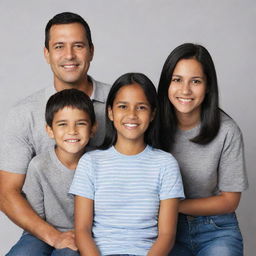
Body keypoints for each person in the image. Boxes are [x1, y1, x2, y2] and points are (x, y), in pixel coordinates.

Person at [0, 12, 110, 253]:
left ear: (91, 50)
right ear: (46, 54)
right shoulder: (24, 113)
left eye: (78, 46)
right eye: (59, 46)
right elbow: (6, 193)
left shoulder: (118, 105)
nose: (69, 55)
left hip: (99, 228)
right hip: (40, 229)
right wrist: (53, 237)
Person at [69, 72, 185, 256]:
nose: (132, 115)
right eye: (123, 106)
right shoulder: (90, 163)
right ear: (110, 112)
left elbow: (167, 235)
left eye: (141, 107)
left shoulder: (165, 164)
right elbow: (82, 230)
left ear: (153, 113)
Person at [157, 43, 248, 256]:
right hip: (165, 228)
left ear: (207, 86)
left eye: (195, 81)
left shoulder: (227, 131)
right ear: (166, 84)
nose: (185, 90)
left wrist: (174, 206)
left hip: (215, 228)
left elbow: (229, 200)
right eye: (177, 80)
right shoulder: (152, 125)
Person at [6, 89, 96, 256]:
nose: (72, 131)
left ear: (92, 129)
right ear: (49, 130)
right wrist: (54, 237)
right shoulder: (38, 166)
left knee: (68, 253)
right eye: (63, 124)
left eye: (81, 123)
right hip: (41, 233)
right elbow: (35, 218)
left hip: (85, 234)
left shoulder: (99, 164)